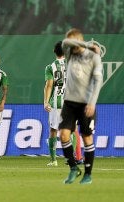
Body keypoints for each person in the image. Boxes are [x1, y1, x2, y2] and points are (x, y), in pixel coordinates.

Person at [59, 28, 103, 184]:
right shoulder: (70, 53)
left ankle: (88, 174)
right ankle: (73, 168)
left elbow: (98, 81)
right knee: (63, 134)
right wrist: (87, 44)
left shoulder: (94, 57)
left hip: (86, 104)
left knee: (86, 137)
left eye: (75, 40)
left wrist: (92, 102)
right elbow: (65, 42)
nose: (72, 44)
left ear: (80, 38)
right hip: (69, 102)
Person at [44, 42, 83, 166]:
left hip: (56, 103)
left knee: (53, 130)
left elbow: (49, 85)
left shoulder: (50, 67)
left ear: (54, 51)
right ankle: (71, 158)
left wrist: (45, 101)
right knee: (72, 130)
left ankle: (53, 160)